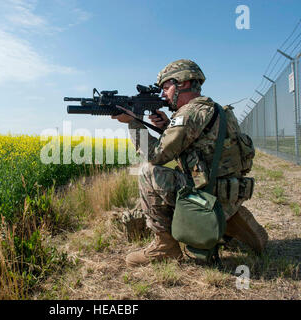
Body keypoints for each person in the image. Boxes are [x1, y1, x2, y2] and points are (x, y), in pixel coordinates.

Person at [111, 59, 268, 267]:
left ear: (183, 83)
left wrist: (132, 122)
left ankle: (165, 246)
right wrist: (168, 125)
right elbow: (198, 147)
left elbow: (155, 155)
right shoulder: (216, 109)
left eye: (166, 87)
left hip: (208, 195)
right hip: (229, 190)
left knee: (149, 171)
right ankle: (231, 217)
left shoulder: (188, 114)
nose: (163, 94)